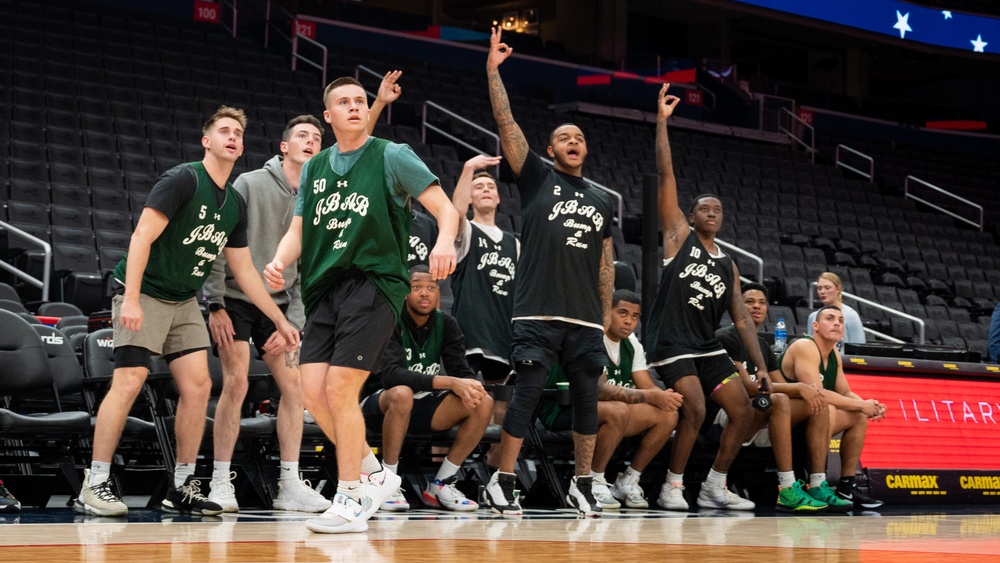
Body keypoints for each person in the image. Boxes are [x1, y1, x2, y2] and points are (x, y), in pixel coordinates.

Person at [76, 107, 301, 517]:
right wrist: (130, 298)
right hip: (143, 291)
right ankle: (94, 482)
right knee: (130, 379)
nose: (232, 137)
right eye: (224, 131)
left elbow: (245, 271)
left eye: (238, 133)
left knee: (198, 387)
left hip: (182, 300)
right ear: (207, 141)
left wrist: (282, 318)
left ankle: (180, 486)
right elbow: (142, 235)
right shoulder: (183, 178)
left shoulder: (233, 202)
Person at [264, 74, 459, 534]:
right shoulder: (315, 168)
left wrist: (445, 241)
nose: (354, 106)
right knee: (311, 392)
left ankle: (350, 496)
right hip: (322, 287)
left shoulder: (393, 156)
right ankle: (375, 473)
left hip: (374, 283)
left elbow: (445, 208)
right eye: (344, 102)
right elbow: (298, 230)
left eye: (360, 100)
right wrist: (277, 259)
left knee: (339, 390)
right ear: (328, 116)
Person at [201, 72, 404, 514]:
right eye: (303, 136)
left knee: (297, 387)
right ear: (284, 146)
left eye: (317, 135)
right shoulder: (251, 183)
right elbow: (220, 243)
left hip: (281, 306)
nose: (312, 141)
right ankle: (221, 482)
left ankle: (290, 483)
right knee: (236, 381)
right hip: (236, 298)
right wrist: (214, 301)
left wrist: (291, 320)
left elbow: (306, 269)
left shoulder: (325, 183)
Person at [482, 27, 615, 517]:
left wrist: (602, 314)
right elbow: (506, 120)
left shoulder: (602, 200)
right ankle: (503, 480)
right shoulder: (537, 177)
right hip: (537, 309)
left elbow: (605, 261)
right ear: (551, 149)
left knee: (586, 401)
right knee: (529, 393)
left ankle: (583, 483)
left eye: (579, 137)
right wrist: (493, 71)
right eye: (564, 137)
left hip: (583, 320)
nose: (573, 141)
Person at [643, 84, 765, 512]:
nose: (712, 213)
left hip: (705, 344)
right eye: (704, 209)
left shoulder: (728, 264)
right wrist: (661, 123)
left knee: (745, 410)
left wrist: (763, 369)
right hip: (671, 342)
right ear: (691, 216)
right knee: (694, 406)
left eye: (718, 210)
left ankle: (715, 485)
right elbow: (666, 176)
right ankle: (671, 487)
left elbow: (744, 321)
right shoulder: (679, 237)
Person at [361, 266, 492, 512]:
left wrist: (469, 385)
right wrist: (449, 382)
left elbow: (460, 370)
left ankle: (442, 482)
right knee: (402, 392)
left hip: (422, 406)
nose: (425, 293)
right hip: (378, 404)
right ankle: (387, 483)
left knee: (482, 400)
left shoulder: (447, 323)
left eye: (431, 288)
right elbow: (390, 375)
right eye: (417, 287)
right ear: (404, 293)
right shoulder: (390, 318)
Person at [539, 290, 683, 510]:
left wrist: (665, 396)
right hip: (563, 409)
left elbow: (647, 385)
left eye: (635, 317)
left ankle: (628, 480)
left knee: (667, 414)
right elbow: (597, 390)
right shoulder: (590, 335)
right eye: (623, 313)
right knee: (618, 410)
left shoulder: (631, 343)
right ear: (606, 312)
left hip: (607, 411)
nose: (629, 321)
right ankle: (593, 481)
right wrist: (650, 396)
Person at [715, 283, 852, 513]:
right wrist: (799, 387)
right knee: (779, 400)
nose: (757, 306)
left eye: (762, 302)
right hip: (728, 412)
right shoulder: (726, 337)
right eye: (749, 302)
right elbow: (746, 388)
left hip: (760, 410)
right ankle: (787, 488)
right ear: (736, 307)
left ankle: (817, 484)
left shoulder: (762, 347)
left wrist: (805, 392)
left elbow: (782, 385)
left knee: (818, 403)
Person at [777, 305, 887, 510]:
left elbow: (845, 392)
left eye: (841, 320)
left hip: (813, 418)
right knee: (828, 408)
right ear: (815, 326)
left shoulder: (834, 352)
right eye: (830, 318)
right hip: (784, 419)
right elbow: (817, 394)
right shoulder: (805, 346)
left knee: (857, 417)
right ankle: (816, 483)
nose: (837, 322)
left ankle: (846, 485)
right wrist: (861, 405)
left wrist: (868, 405)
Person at [450, 155, 518, 383]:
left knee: (502, 401)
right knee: (463, 398)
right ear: (470, 197)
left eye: (491, 187)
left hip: (502, 334)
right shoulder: (467, 231)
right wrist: (469, 167)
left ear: (498, 198)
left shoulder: (514, 243)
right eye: (478, 188)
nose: (486, 190)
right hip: (469, 334)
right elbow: (455, 214)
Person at [806, 272, 865, 349]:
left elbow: (859, 349)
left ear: (838, 289)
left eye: (827, 288)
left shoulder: (850, 315)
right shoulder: (813, 317)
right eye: (819, 288)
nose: (822, 292)